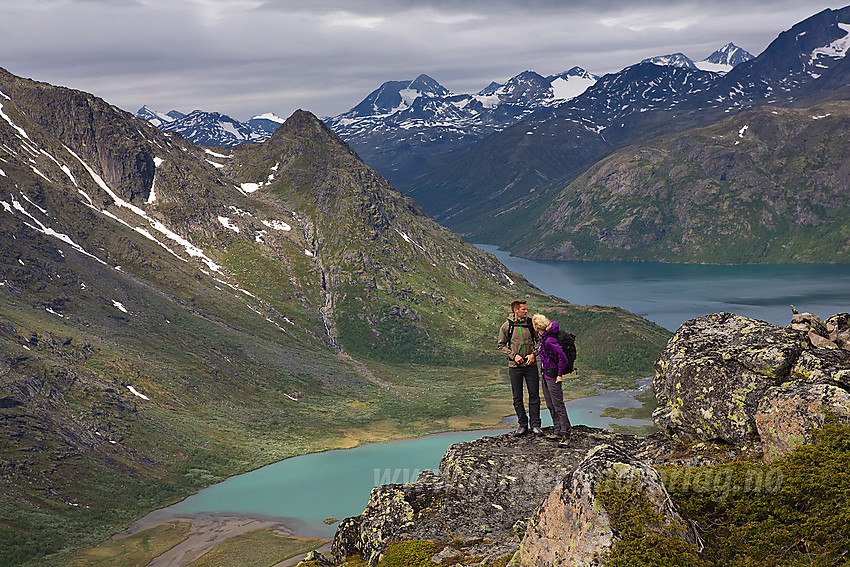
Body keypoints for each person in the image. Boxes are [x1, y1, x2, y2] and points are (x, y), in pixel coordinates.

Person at [497, 299, 542, 435]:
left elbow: (540, 341)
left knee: (534, 395)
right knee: (517, 397)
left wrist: (533, 355)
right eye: (523, 309)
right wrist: (513, 355)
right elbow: (501, 345)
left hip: (531, 365)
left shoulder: (530, 324)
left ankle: (535, 425)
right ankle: (522, 425)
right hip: (515, 367)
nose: (526, 311)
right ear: (516, 310)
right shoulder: (507, 326)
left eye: (526, 309)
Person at [532, 313, 573, 446]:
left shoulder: (549, 340)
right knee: (550, 404)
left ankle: (566, 434)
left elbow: (563, 358)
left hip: (553, 375)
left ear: (537, 326)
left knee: (558, 405)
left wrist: (559, 374)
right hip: (545, 374)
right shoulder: (543, 338)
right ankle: (557, 430)